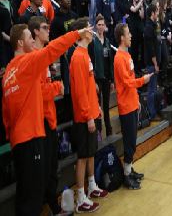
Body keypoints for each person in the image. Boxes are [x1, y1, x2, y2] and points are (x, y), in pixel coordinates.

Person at [2, 22, 91, 216]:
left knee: (25, 194)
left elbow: (5, 111)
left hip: (19, 141)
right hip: (31, 138)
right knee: (32, 198)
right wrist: (76, 34)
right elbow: (53, 49)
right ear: (20, 43)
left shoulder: (8, 72)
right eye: (29, 38)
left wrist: (11, 134)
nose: (32, 41)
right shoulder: (26, 63)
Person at [28, 16, 69, 216]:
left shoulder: (42, 57)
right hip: (40, 121)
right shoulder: (33, 57)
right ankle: (52, 207)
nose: (48, 30)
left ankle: (54, 205)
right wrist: (57, 87)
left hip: (49, 118)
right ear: (35, 31)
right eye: (45, 28)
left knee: (52, 167)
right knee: (45, 170)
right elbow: (40, 92)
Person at [69, 17, 108, 213]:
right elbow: (79, 92)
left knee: (91, 152)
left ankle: (91, 186)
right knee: (83, 156)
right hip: (84, 117)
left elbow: (90, 87)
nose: (92, 32)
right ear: (81, 32)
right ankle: (80, 197)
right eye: (89, 29)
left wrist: (97, 108)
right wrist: (88, 115)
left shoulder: (85, 54)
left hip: (92, 112)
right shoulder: (77, 57)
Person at [114, 23, 153, 189]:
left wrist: (136, 98)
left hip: (132, 102)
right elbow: (127, 82)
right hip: (125, 105)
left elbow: (130, 79)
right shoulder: (119, 58)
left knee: (133, 141)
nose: (131, 36)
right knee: (129, 141)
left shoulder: (127, 56)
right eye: (128, 33)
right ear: (122, 38)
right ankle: (126, 175)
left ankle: (129, 170)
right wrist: (142, 81)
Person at [89, 15, 114, 136]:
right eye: (98, 24)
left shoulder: (108, 41)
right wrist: (93, 80)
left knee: (106, 106)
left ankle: (109, 130)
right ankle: (98, 132)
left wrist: (112, 80)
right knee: (97, 107)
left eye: (102, 24)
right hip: (97, 79)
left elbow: (110, 62)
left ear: (105, 26)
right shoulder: (92, 42)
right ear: (95, 26)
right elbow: (91, 62)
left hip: (107, 78)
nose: (101, 26)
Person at [144, 2, 160, 121]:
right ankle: (152, 114)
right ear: (152, 13)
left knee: (154, 89)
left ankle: (154, 112)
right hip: (151, 63)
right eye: (157, 11)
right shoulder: (149, 28)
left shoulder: (153, 25)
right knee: (151, 90)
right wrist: (155, 63)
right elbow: (150, 48)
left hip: (154, 62)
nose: (158, 13)